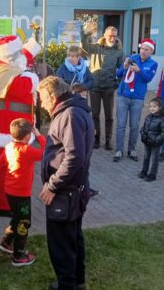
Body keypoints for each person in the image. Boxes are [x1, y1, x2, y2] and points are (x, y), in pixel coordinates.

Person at [37, 76, 94, 290]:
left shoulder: (70, 114)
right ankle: (76, 282)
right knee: (73, 238)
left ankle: (67, 285)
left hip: (65, 192)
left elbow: (74, 157)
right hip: (72, 190)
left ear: (53, 97)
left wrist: (52, 185)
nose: (41, 104)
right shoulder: (73, 110)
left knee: (62, 245)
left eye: (42, 99)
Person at [0, 35, 41, 216]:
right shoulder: (19, 79)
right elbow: (26, 81)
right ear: (11, 57)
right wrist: (29, 70)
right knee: (13, 171)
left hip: (1, 129)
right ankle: (5, 206)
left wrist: (29, 49)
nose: (23, 55)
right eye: (18, 52)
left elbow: (17, 61)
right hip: (12, 131)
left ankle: (3, 202)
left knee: (5, 167)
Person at [0, 118, 44, 266]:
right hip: (21, 194)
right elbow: (46, 151)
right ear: (28, 137)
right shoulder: (26, 150)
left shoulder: (9, 147)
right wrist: (40, 135)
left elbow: (0, 162)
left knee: (17, 217)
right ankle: (19, 255)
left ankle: (6, 242)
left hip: (9, 191)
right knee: (24, 222)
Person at [113, 39, 158, 162]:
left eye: (146, 50)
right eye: (142, 49)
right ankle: (119, 150)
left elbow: (148, 78)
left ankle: (131, 149)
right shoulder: (132, 57)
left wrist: (139, 71)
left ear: (151, 51)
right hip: (123, 95)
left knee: (134, 125)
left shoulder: (153, 64)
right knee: (121, 124)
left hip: (138, 97)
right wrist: (124, 66)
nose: (143, 51)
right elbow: (118, 74)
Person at [81, 25, 124, 150]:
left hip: (109, 88)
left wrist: (116, 84)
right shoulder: (96, 48)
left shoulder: (119, 51)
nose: (112, 38)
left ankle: (108, 141)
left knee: (109, 116)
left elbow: (122, 69)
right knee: (95, 114)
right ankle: (96, 139)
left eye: (114, 36)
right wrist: (86, 34)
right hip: (94, 87)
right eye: (110, 35)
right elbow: (84, 45)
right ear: (104, 35)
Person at [138, 97, 164, 182]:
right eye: (150, 106)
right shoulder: (148, 117)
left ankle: (152, 174)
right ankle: (144, 171)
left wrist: (157, 139)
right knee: (146, 157)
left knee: (154, 159)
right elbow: (144, 127)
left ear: (159, 108)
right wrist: (142, 132)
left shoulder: (163, 120)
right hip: (147, 141)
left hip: (156, 143)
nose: (152, 108)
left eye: (154, 106)